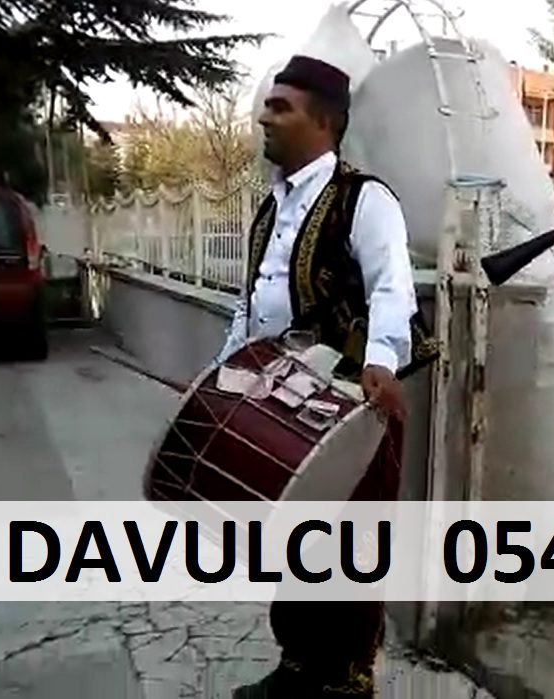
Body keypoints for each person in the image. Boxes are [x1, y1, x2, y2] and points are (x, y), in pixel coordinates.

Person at [223, 54, 437, 698]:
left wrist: (380, 361)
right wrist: (220, 378)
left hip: (352, 407)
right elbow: (252, 303)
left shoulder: (364, 199)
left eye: (280, 107)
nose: (265, 117)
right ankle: (298, 667)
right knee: (296, 542)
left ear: (322, 122)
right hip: (286, 404)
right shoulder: (272, 208)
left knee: (352, 545)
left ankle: (346, 680)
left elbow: (393, 285)